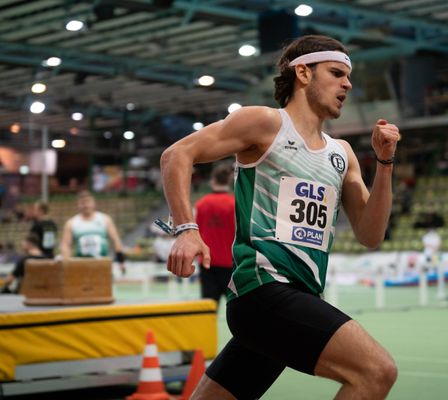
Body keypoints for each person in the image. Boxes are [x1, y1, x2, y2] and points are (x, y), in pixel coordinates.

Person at [160, 35, 398, 400]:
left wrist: (384, 164)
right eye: (336, 73)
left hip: (299, 301)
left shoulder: (342, 153)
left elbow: (370, 233)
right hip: (264, 293)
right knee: (376, 371)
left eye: (348, 76)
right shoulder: (265, 123)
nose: (347, 84)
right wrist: (187, 229)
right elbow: (178, 154)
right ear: (303, 72)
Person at [194, 163, 235, 306]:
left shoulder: (201, 204)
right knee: (236, 309)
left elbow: (195, 232)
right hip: (230, 264)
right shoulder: (234, 204)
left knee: (208, 308)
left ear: (212, 180)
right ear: (229, 181)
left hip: (207, 263)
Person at [59, 190, 126, 273]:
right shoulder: (71, 223)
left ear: (94, 203)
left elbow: (116, 240)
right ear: (78, 205)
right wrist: (67, 264)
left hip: (102, 264)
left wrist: (121, 261)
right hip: (81, 265)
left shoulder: (105, 219)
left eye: (88, 202)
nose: (85, 205)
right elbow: (65, 245)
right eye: (82, 202)